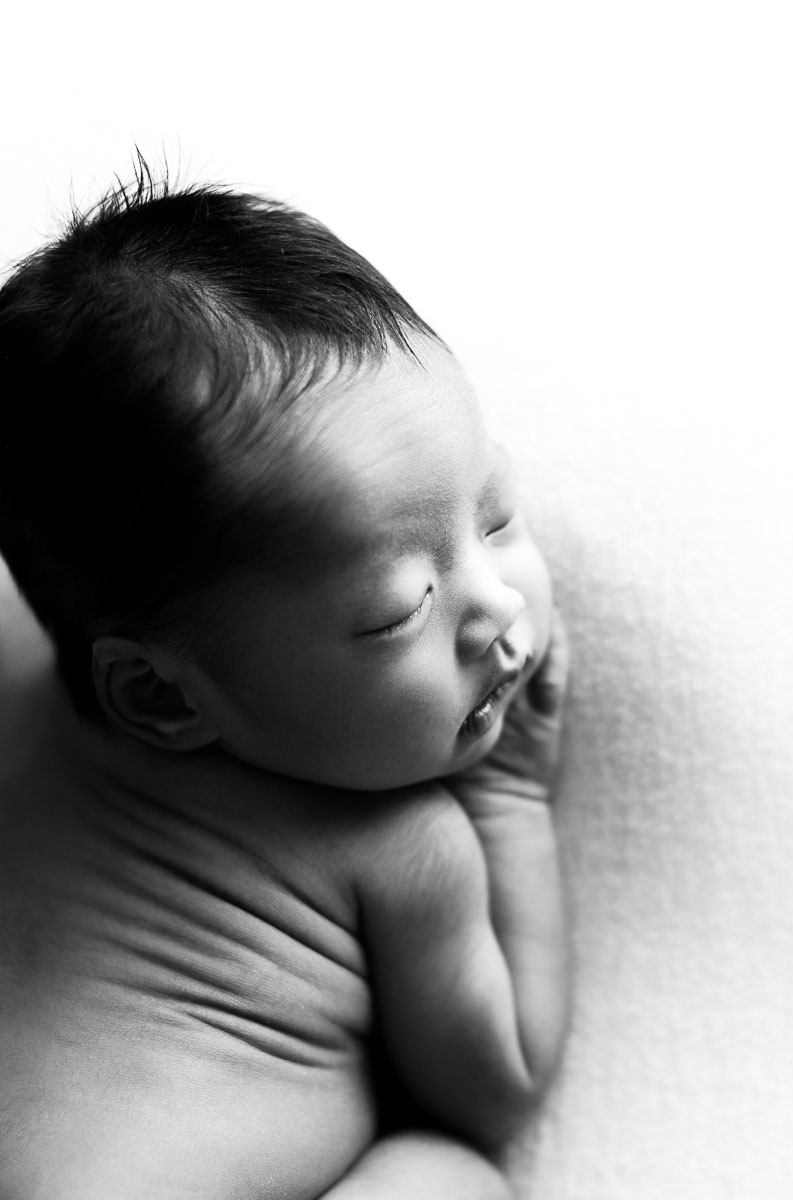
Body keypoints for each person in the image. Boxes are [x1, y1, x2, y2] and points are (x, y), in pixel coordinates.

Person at [0, 167, 570, 1199]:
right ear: (165, 697)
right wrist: (513, 800)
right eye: (402, 609)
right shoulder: (402, 845)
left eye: (494, 513)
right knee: (449, 1174)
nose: (497, 609)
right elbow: (498, 1086)